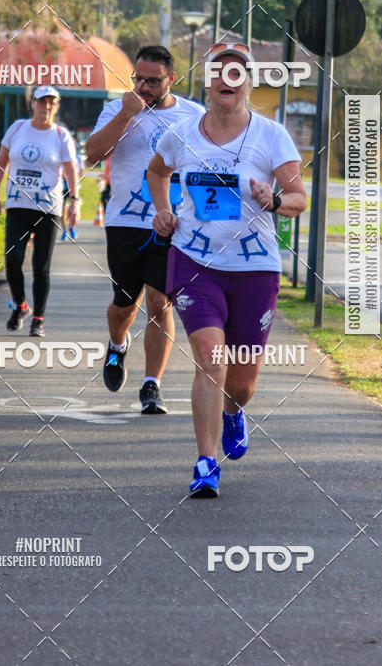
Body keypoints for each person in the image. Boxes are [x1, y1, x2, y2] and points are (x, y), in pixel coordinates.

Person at [147, 42, 306, 496]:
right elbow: (157, 173)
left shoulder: (271, 135)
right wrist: (163, 211)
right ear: (208, 81)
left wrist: (273, 200)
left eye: (237, 73)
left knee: (241, 382)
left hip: (255, 269)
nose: (226, 81)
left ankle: (234, 412)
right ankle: (204, 463)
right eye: (219, 72)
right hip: (195, 262)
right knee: (211, 360)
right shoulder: (182, 135)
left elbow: (299, 198)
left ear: (249, 84)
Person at [86, 45, 205, 414]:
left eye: (152, 81)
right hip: (124, 222)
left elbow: (204, 169)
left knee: (159, 301)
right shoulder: (118, 107)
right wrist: (126, 114)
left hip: (172, 224)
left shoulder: (193, 116)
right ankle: (117, 344)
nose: (143, 87)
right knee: (125, 307)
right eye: (138, 78)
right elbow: (92, 155)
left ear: (171, 79)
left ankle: (152, 384)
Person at [0, 86, 79, 337]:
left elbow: (71, 171)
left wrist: (74, 201)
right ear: (33, 104)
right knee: (13, 259)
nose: (46, 107)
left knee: (41, 267)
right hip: (18, 206)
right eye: (41, 102)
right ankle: (20, 305)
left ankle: (38, 318)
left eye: (51, 102)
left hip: (48, 209)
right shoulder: (18, 128)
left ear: (56, 106)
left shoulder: (61, 136)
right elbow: (0, 163)